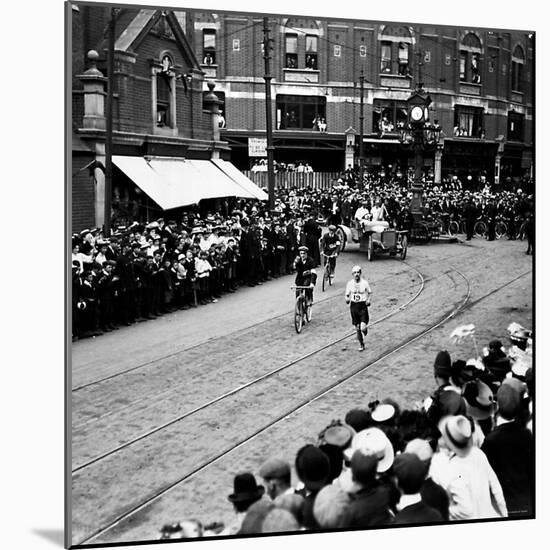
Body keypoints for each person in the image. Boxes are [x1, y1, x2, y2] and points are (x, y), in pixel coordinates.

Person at [345, 265, 372, 351]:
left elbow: (370, 292)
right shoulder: (350, 284)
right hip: (354, 306)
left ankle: (364, 329)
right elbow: (347, 294)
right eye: (355, 273)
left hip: (362, 306)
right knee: (357, 328)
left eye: (358, 272)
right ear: (352, 274)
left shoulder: (364, 283)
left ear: (360, 273)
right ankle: (361, 344)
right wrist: (347, 299)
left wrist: (368, 300)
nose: (356, 274)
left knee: (362, 327)